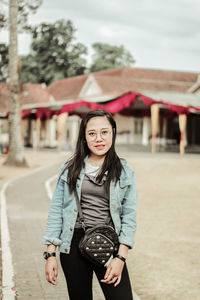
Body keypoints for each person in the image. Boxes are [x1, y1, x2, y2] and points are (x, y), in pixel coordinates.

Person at [42, 110, 138, 300]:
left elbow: (129, 217)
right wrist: (50, 254)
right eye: (92, 133)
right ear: (84, 138)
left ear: (113, 133)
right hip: (73, 244)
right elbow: (56, 211)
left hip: (108, 243)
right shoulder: (70, 169)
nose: (99, 139)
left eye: (104, 132)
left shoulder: (125, 172)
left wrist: (120, 257)